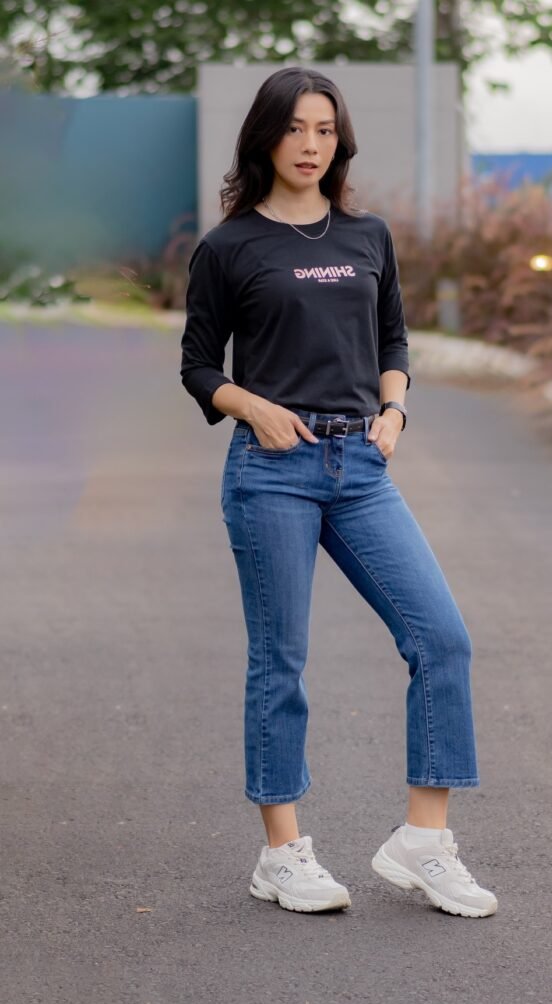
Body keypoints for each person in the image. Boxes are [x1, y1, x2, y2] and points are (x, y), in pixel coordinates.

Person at [180, 65, 497, 918]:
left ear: (339, 140)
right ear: (264, 139)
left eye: (324, 130)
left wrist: (395, 408)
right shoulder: (230, 246)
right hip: (271, 470)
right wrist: (251, 405)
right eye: (294, 129)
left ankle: (422, 840)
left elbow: (392, 336)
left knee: (442, 640)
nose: (310, 145)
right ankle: (281, 852)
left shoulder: (368, 236)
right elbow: (199, 365)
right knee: (279, 662)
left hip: (361, 469)